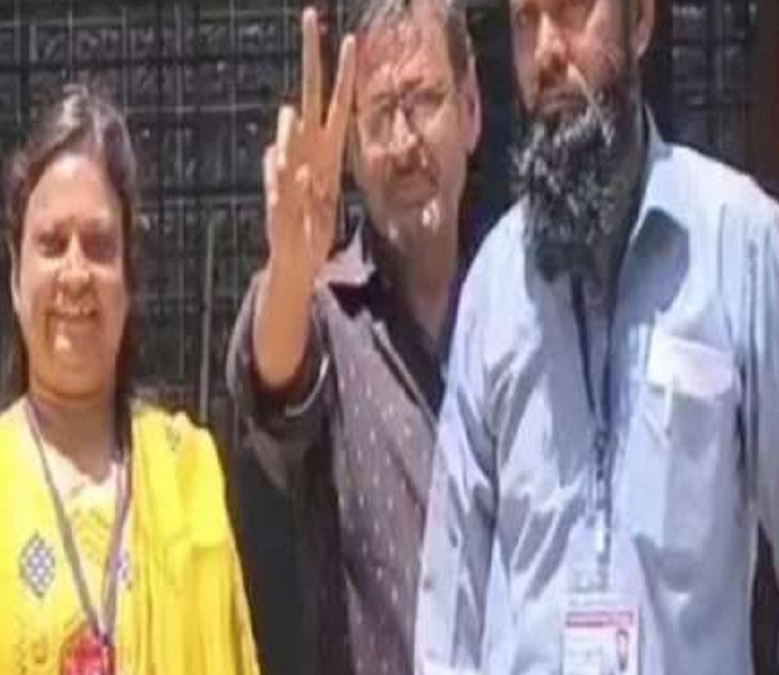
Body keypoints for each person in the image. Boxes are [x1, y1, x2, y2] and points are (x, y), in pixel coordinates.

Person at [415, 0, 779, 671]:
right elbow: (451, 609)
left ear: (641, 23)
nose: (546, 51)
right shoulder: (496, 284)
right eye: (525, 21)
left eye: (571, 11)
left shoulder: (741, 247)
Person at [0, 86, 260, 674]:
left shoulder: (184, 471)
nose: (75, 272)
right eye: (51, 243)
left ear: (129, 277)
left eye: (99, 245)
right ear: (16, 277)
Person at [225, 1, 480, 672]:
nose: (403, 143)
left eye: (423, 101)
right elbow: (273, 382)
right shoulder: (328, 316)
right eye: (379, 115)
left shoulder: (525, 308)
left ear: (472, 109)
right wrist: (289, 269)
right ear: (353, 158)